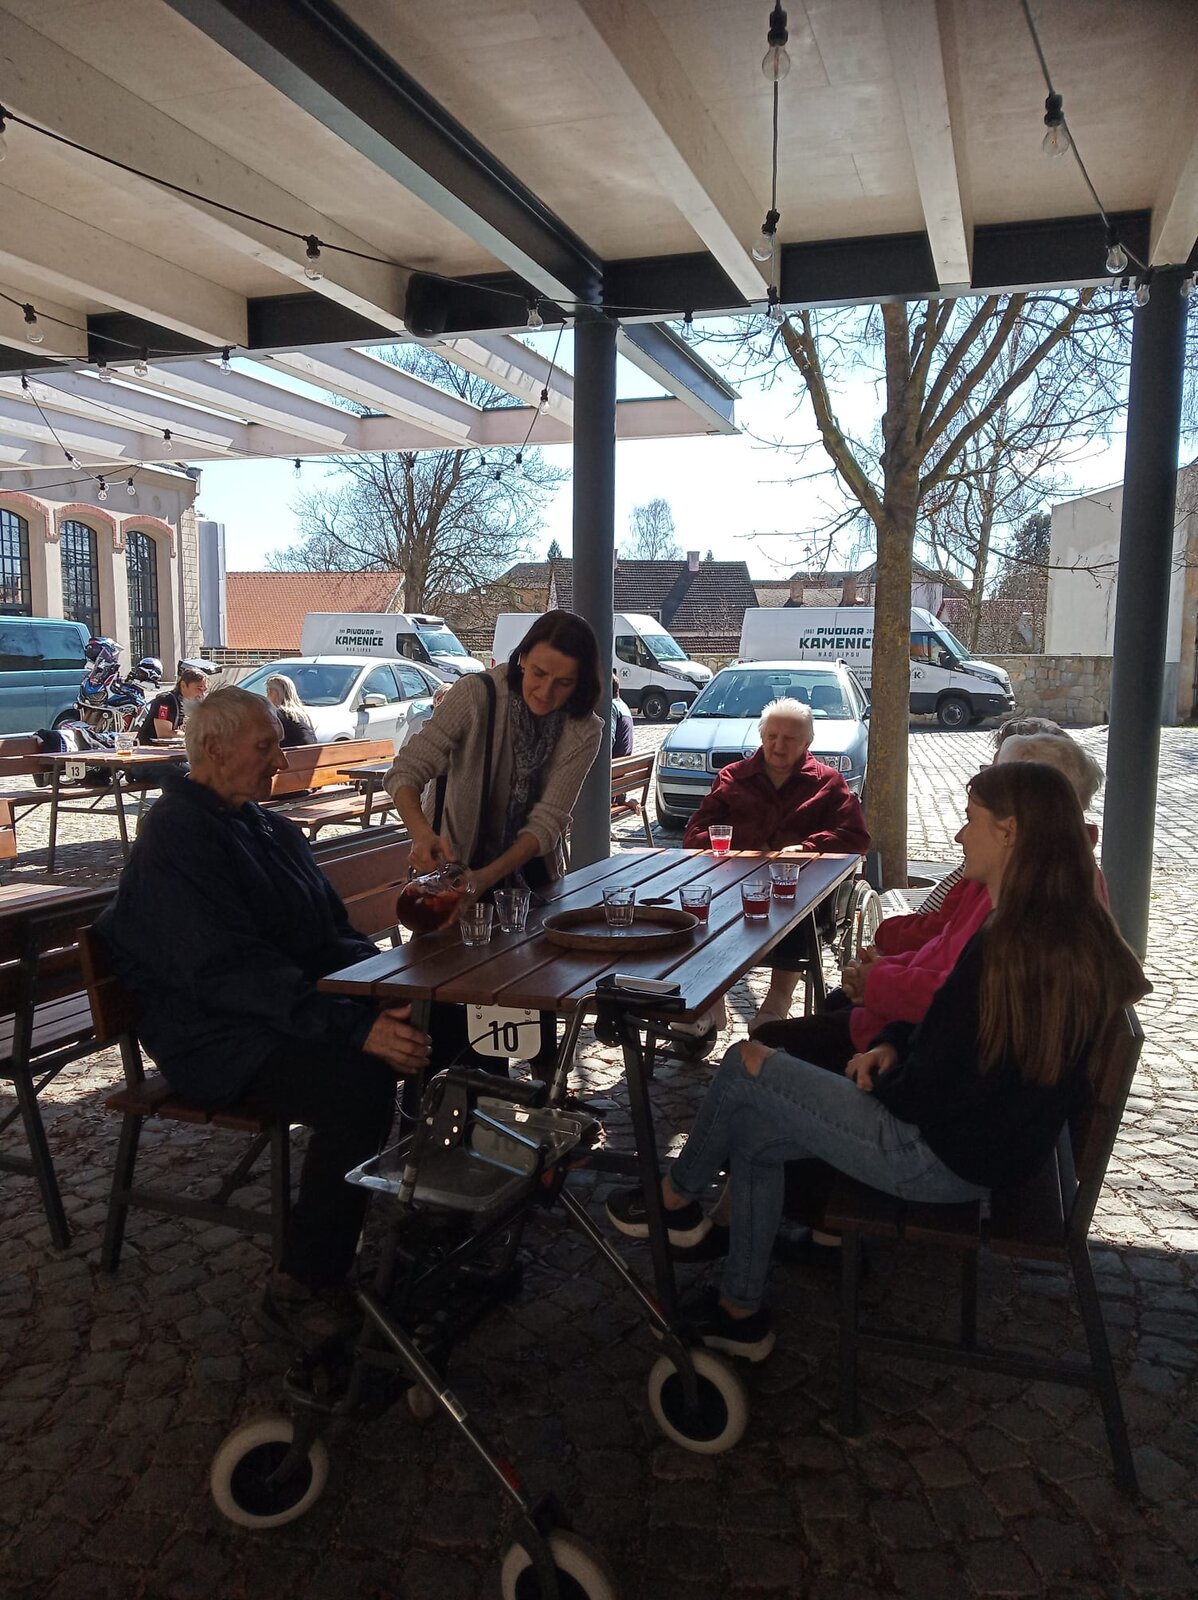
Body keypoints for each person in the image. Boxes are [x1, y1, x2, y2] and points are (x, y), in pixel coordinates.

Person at [606, 762, 1148, 1361]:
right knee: (756, 1132)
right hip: (985, 1147)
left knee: (746, 1061)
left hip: (939, 1156)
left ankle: (673, 1198)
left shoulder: (1009, 944)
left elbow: (934, 1086)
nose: (960, 835)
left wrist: (878, 1077)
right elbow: (963, 1039)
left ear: (1010, 832)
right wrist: (891, 1044)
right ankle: (739, 1314)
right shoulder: (1057, 928)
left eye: (971, 821)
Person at [98, 687, 430, 1340]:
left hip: (276, 1014)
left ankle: (432, 1211)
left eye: (279, 744)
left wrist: (382, 987)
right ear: (213, 749)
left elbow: (330, 934)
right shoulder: (177, 835)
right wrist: (355, 1027)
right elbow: (227, 973)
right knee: (357, 1086)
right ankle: (303, 1283)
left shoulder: (267, 827)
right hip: (214, 1040)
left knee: (438, 1024)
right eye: (266, 746)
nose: (281, 759)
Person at [384, 609, 604, 1069]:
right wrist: (422, 834)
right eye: (538, 673)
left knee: (531, 1010)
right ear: (521, 658)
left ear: (581, 683)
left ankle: (537, 1100)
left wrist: (486, 879)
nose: (545, 692)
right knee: (453, 1026)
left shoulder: (584, 728)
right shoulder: (476, 695)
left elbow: (547, 823)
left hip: (527, 887)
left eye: (563, 683)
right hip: (448, 885)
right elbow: (407, 771)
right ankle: (453, 1105)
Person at [683, 698, 871, 1035]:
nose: (778, 745)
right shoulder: (733, 777)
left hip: (799, 887)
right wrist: (747, 843)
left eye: (789, 739)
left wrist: (807, 847)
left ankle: (775, 1005)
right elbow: (695, 834)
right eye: (772, 736)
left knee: (794, 909)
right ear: (761, 736)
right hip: (734, 881)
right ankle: (709, 1004)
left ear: (807, 743)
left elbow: (855, 837)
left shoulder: (828, 783)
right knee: (702, 908)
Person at [136, 664, 208, 742]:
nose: (202, 694)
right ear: (183, 685)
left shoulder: (192, 704)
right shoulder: (165, 701)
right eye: (199, 689)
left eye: (204, 690)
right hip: (147, 747)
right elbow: (164, 733)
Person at [265, 673, 317, 747]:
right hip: (311, 752)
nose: (266, 696)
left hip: (293, 753)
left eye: (268, 692)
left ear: (275, 693)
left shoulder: (277, 714)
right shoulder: (301, 713)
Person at [611, 673, 635, 758]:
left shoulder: (612, 707)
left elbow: (609, 741)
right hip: (623, 762)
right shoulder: (623, 705)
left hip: (614, 762)